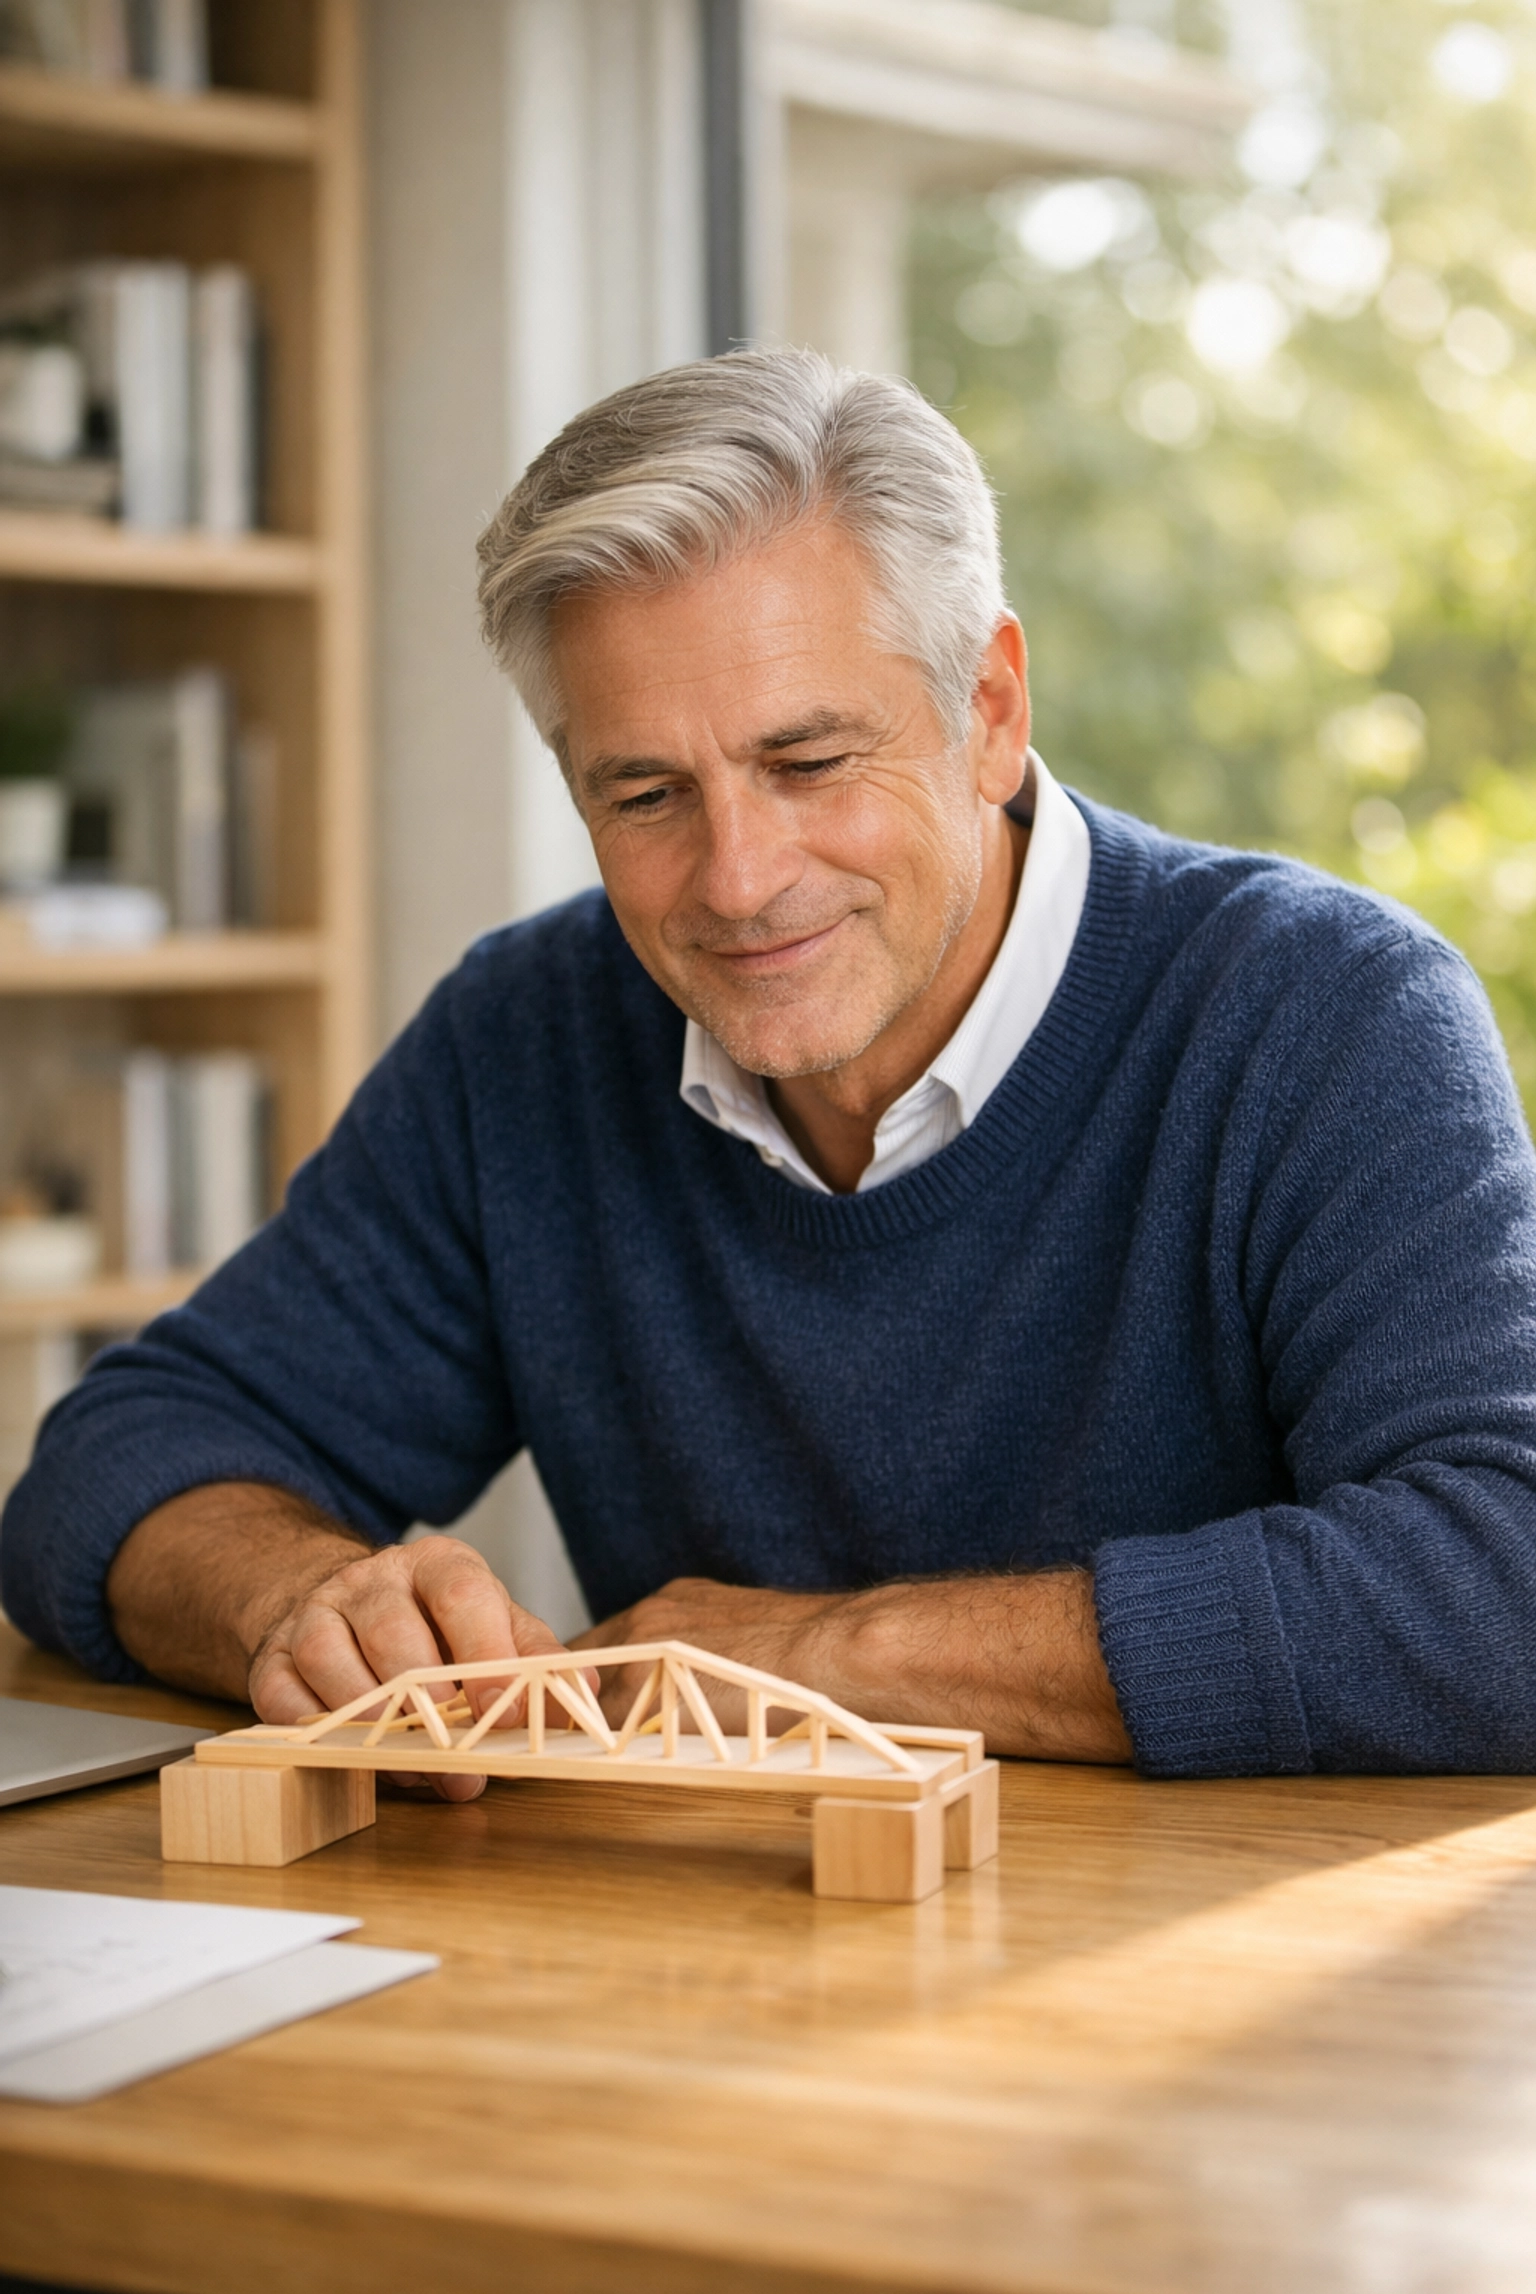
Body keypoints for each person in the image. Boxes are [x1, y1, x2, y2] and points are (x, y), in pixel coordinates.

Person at [6, 347, 1536, 1790]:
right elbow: (113, 1466)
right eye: (648, 793)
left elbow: (1504, 1580)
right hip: (714, 1980)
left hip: (1214, 2011)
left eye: (809, 764)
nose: (737, 880)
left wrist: (829, 1654)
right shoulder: (527, 1035)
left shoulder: (1326, 1012)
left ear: (990, 710)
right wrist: (306, 1599)